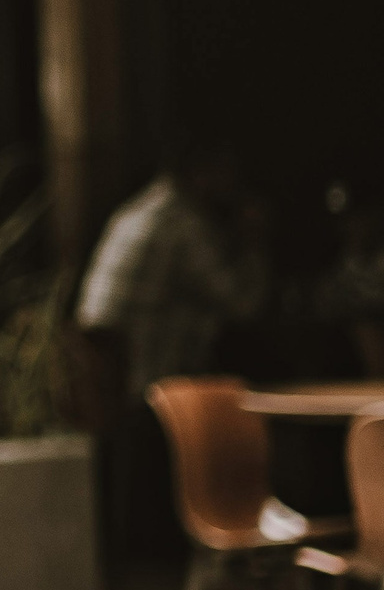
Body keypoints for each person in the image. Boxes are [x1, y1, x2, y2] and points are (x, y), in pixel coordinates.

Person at [76, 142, 270, 558]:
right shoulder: (179, 222)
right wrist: (253, 241)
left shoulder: (142, 208)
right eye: (226, 174)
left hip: (115, 373)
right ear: (203, 173)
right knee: (246, 379)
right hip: (150, 376)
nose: (232, 186)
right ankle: (203, 540)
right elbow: (242, 303)